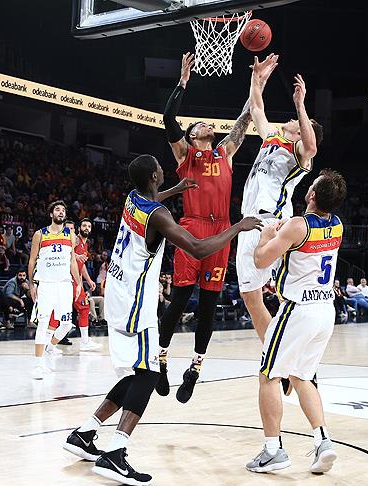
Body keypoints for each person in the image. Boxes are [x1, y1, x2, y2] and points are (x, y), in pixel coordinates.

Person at [62, 155, 261, 485]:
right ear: (154, 176)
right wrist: (237, 228)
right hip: (135, 304)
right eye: (159, 167)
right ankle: (115, 454)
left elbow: (154, 199)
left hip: (117, 293)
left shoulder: (133, 198)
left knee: (138, 374)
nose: (162, 168)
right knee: (150, 375)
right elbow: (198, 248)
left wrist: (176, 189)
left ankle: (84, 434)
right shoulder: (158, 215)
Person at [156, 52, 275, 404]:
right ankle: (160, 360)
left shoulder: (225, 152)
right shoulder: (184, 155)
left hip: (221, 231)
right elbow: (168, 118)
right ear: (192, 135)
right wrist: (182, 82)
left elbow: (246, 117)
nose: (208, 125)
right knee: (179, 299)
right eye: (200, 125)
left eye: (208, 124)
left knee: (208, 305)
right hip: (192, 229)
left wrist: (258, 82)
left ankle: (195, 368)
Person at [246, 169, 346, 474]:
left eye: (311, 184)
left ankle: (272, 450)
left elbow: (261, 260)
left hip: (297, 310)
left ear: (312, 194)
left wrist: (266, 236)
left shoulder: (297, 225)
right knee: (302, 377)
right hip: (325, 311)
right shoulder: (337, 225)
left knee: (269, 376)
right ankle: (323, 442)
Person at [237, 56, 323, 369]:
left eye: (297, 122)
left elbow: (311, 147)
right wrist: (256, 79)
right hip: (249, 222)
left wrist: (301, 106)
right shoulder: (272, 138)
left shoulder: (300, 154)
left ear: (301, 131)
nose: (290, 119)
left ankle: (288, 358)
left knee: (277, 295)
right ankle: (279, 358)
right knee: (252, 297)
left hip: (269, 224)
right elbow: (257, 109)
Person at [27, 201, 84, 380]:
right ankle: (38, 364)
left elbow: (72, 261)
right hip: (46, 284)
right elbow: (32, 260)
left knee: (66, 324)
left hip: (65, 284)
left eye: (63, 210)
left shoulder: (70, 235)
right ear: (51, 214)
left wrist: (78, 283)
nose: (61, 212)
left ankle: (50, 347)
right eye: (57, 209)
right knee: (43, 323)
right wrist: (32, 284)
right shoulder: (40, 234)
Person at [69, 218, 101, 351]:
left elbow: (81, 265)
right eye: (84, 226)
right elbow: (66, 255)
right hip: (69, 280)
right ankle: (84, 342)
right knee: (81, 308)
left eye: (89, 226)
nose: (86, 228)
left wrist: (89, 280)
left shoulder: (85, 244)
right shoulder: (75, 240)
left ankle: (85, 341)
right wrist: (75, 256)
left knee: (83, 308)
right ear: (79, 228)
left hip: (77, 282)